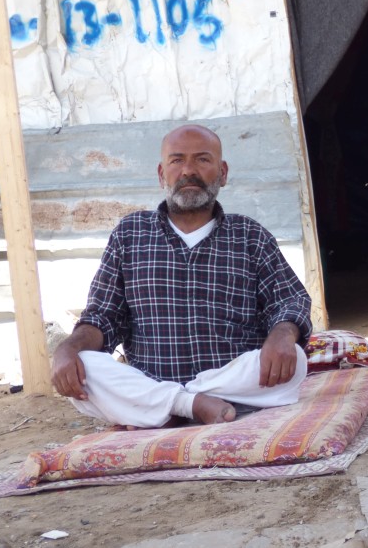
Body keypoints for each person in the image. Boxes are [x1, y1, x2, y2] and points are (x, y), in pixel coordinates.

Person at [50, 124, 313, 429]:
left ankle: (168, 404)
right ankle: (189, 403)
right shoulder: (130, 234)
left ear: (223, 172)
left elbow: (289, 300)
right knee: (85, 368)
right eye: (177, 161)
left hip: (228, 382)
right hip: (151, 378)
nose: (189, 170)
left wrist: (281, 335)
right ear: (162, 174)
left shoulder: (249, 235)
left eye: (202, 160)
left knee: (295, 358)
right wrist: (67, 349)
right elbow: (103, 317)